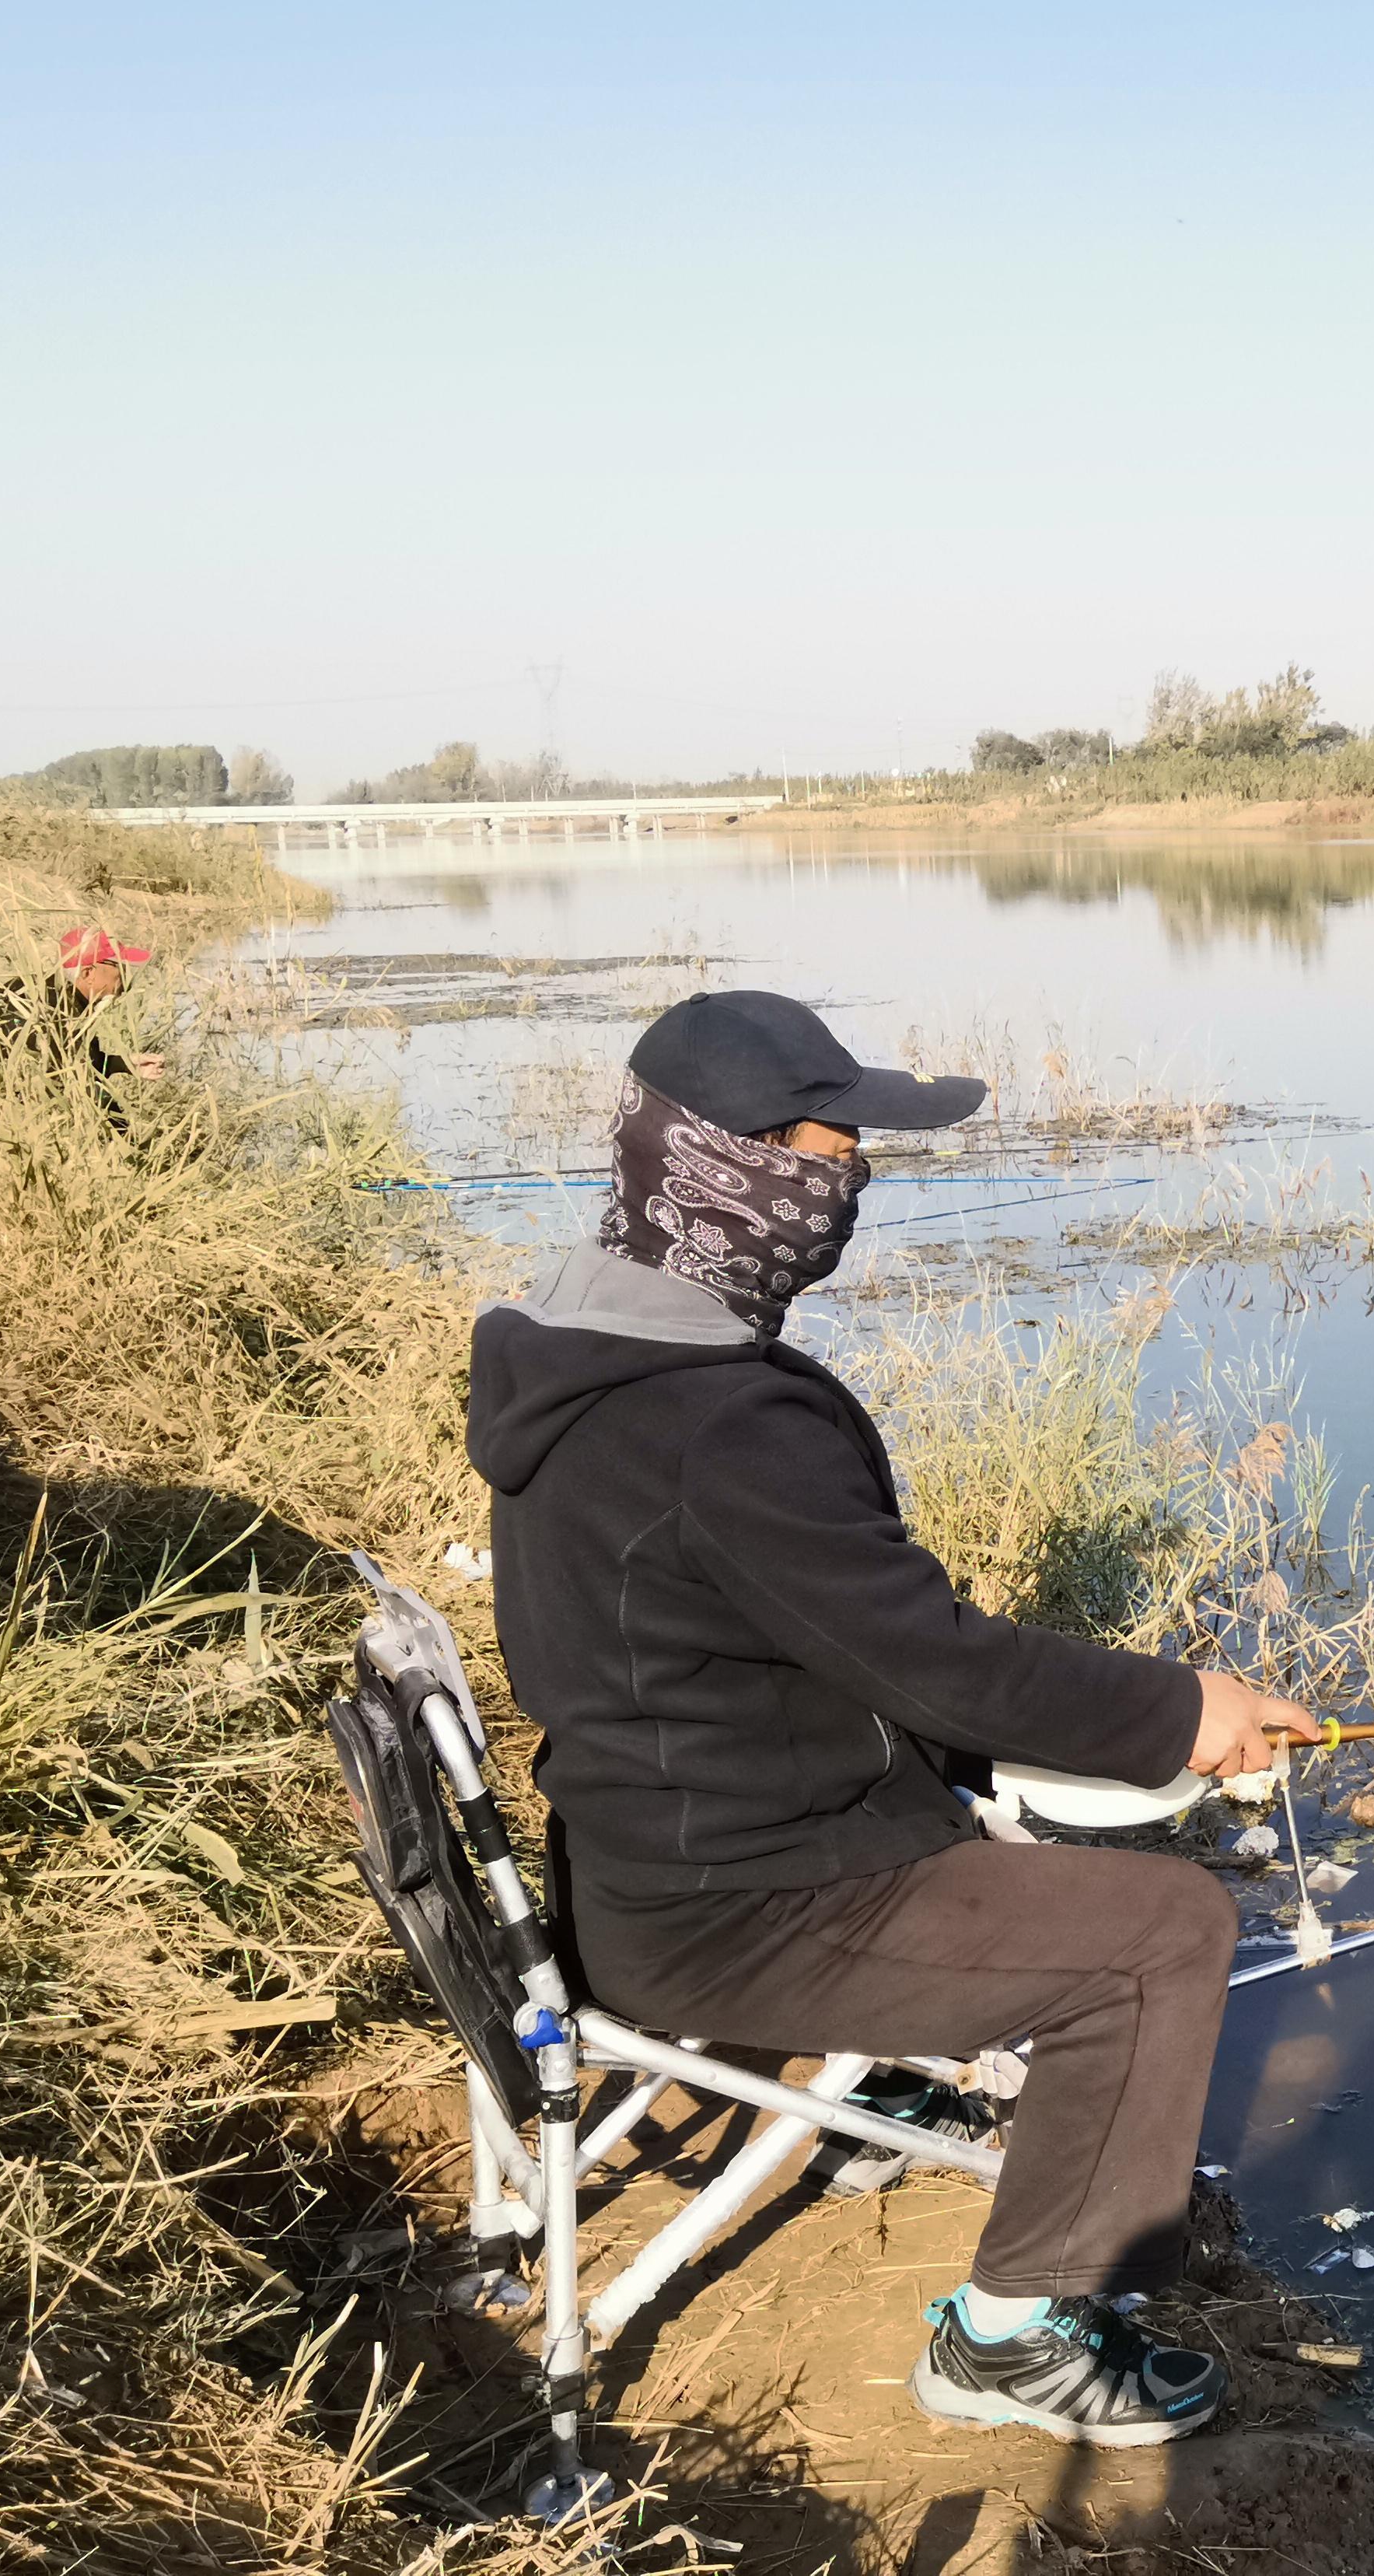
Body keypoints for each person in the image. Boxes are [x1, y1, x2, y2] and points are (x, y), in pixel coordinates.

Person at [466, 990, 1318, 2448]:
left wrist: (1025, 1738)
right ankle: (1011, 2337)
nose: (852, 1175)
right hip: (730, 1907)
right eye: (831, 1143)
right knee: (1164, 1934)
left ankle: (922, 2091)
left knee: (1020, 1817)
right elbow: (937, 1664)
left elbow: (836, 1651)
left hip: (649, 1851)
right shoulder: (717, 1423)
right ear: (728, 1164)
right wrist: (1188, 1707)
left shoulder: (576, 1336)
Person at [0, 928, 167, 1097]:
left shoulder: (39, 989)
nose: (126, 979)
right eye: (120, 968)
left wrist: (127, 1064)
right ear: (88, 974)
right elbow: (65, 1077)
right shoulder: (58, 1012)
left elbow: (78, 1062)